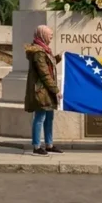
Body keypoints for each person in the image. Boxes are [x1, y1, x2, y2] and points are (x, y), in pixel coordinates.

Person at [24, 25, 63, 156]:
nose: (51, 37)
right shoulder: (38, 52)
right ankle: (36, 146)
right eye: (49, 35)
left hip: (46, 90)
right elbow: (44, 73)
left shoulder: (44, 50)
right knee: (40, 117)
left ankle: (49, 144)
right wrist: (56, 90)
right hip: (41, 90)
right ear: (42, 35)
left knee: (49, 117)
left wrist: (59, 57)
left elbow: (48, 65)